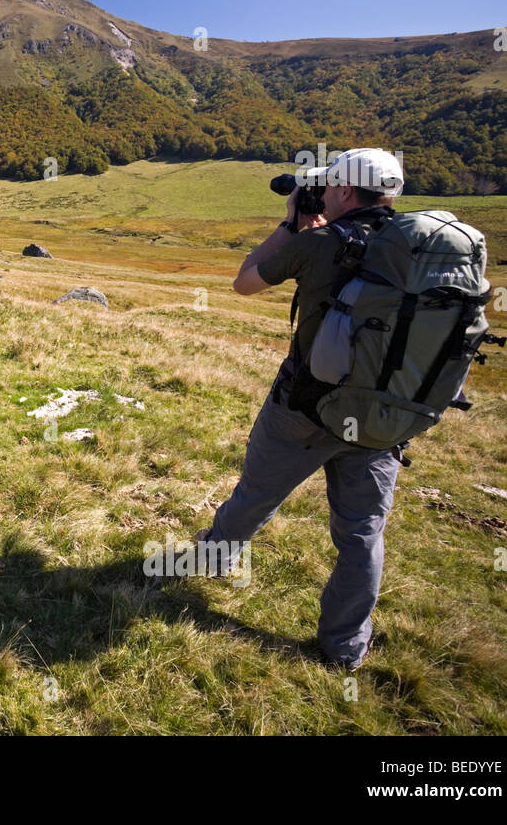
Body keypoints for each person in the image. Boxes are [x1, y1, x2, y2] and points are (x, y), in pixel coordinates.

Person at [199, 148, 407, 670]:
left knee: (257, 492)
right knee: (362, 534)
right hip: (384, 419)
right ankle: (345, 647)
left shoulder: (319, 244)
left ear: (341, 191)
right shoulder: (420, 251)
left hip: (306, 408)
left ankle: (212, 556)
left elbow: (244, 281)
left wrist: (291, 224)